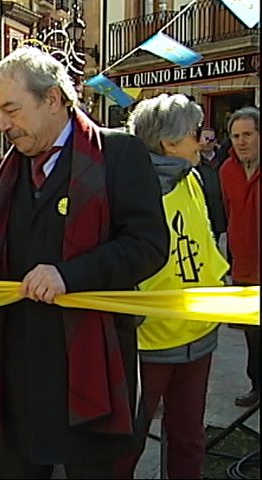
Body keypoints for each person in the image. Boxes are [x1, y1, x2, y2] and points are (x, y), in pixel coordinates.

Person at [0, 46, 169, 478]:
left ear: (52, 98)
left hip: (92, 372)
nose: (3, 125)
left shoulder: (118, 154)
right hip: (20, 373)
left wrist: (69, 276)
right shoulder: (7, 169)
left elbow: (148, 245)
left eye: (11, 110)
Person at [115, 94, 229, 478]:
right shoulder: (128, 188)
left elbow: (206, 244)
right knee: (126, 443)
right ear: (168, 142)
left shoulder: (192, 178)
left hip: (199, 332)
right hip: (149, 343)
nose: (202, 140)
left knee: (188, 437)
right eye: (195, 133)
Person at [219, 106, 260, 407]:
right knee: (253, 337)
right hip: (243, 268)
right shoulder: (226, 171)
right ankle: (257, 387)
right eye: (236, 136)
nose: (241, 141)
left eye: (248, 134)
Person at [196, 125, 227, 241]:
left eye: (211, 139)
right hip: (202, 212)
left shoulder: (222, 160)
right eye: (205, 138)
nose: (208, 142)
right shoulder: (194, 162)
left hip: (219, 213)